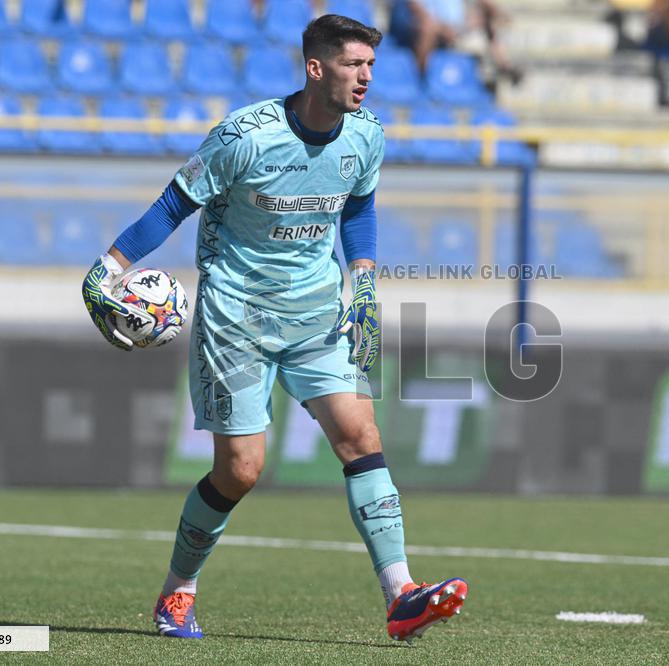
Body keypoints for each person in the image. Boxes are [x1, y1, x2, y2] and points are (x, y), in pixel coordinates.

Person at [80, 14, 468, 642]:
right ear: (316, 68)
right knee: (241, 469)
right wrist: (108, 268)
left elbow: (360, 207)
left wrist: (363, 282)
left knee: (360, 433)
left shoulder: (367, 136)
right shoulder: (245, 138)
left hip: (315, 311)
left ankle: (401, 594)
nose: (366, 78)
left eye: (371, 66)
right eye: (353, 65)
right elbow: (175, 203)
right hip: (235, 317)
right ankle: (177, 592)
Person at [389, 0, 521, 83]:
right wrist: (444, 28)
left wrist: (497, 13)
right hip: (431, 27)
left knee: (488, 21)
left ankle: (504, 65)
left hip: (454, 28)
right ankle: (420, 77)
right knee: (428, 28)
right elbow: (418, 10)